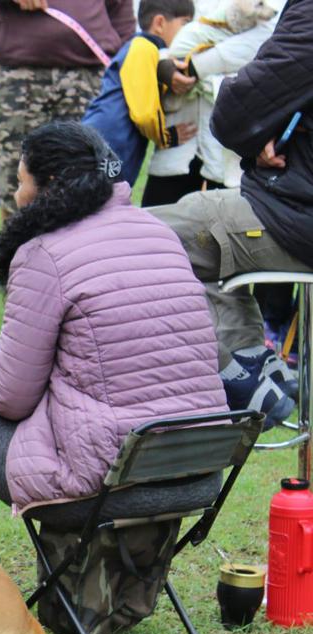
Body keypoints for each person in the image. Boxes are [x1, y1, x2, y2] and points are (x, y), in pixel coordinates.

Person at [0, 121, 227, 555]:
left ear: (50, 185)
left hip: (105, 485)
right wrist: (6, 355)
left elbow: (10, 397)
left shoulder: (44, 253)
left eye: (20, 182)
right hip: (199, 468)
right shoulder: (158, 232)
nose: (16, 196)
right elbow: (119, 360)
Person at [149, 0, 312, 430]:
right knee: (199, 227)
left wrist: (265, 124)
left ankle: (239, 374)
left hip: (294, 216)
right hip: (292, 204)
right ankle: (251, 361)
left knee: (145, 239)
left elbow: (236, 108)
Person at [0, 0, 136, 218]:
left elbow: (121, 11)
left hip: (90, 76)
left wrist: (124, 61)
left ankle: (80, 252)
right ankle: (16, 251)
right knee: (17, 183)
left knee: (88, 184)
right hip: (21, 76)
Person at [140, 3, 276, 206]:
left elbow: (268, 42)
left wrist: (194, 68)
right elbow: (150, 38)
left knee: (226, 226)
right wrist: (164, 66)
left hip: (230, 137)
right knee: (159, 222)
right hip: (179, 135)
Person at [82, 0, 197, 187]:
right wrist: (166, 137)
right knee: (100, 203)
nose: (191, 32)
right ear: (159, 23)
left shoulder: (147, 49)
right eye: (185, 24)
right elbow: (144, 114)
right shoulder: (143, 47)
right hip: (107, 139)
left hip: (110, 140)